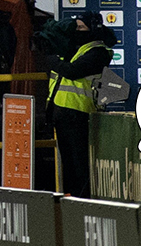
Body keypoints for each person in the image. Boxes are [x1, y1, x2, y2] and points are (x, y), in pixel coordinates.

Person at [46, 12, 113, 197]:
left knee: (80, 163)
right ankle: (72, 198)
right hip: (62, 112)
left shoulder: (98, 52)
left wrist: (52, 59)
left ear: (94, 29)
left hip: (80, 114)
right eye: (75, 27)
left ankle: (83, 200)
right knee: (68, 163)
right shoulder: (73, 48)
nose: (77, 31)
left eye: (81, 27)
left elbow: (73, 71)